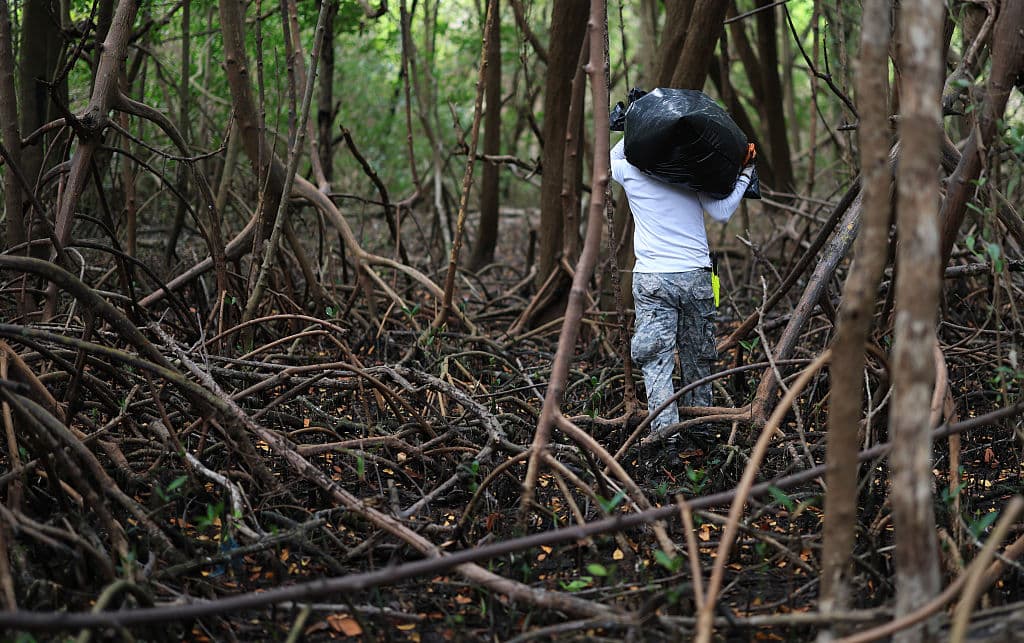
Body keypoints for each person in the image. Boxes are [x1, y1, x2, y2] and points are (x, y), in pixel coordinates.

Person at [610, 136, 754, 453]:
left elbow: (610, 158)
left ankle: (668, 439)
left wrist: (632, 123)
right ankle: (701, 432)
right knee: (698, 358)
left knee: (655, 360)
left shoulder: (631, 171)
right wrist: (745, 173)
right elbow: (722, 212)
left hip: (653, 279)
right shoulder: (691, 173)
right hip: (696, 278)